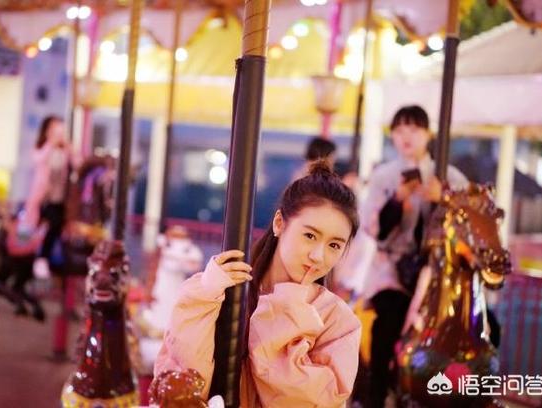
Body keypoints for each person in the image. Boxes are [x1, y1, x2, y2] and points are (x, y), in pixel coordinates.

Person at [155, 162, 362, 407]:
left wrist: (286, 308)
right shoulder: (221, 291)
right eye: (310, 236)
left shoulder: (338, 321)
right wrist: (206, 295)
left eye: (334, 245)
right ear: (279, 223)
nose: (318, 256)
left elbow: (307, 401)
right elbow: (183, 381)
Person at [359, 105, 468, 407]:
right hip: (393, 271)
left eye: (414, 129)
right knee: (387, 326)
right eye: (399, 130)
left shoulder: (450, 177)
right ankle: (377, 396)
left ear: (428, 134)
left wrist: (444, 197)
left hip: (439, 273)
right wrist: (397, 200)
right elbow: (372, 228)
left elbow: (470, 221)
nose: (406, 136)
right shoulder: (384, 177)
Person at [20, 115, 77, 276]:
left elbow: (78, 164)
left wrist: (70, 148)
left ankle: (43, 259)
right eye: (56, 130)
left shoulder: (65, 151)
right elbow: (38, 160)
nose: (60, 134)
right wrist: (50, 143)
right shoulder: (42, 148)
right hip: (41, 198)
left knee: (56, 227)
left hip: (59, 199)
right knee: (31, 230)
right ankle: (28, 259)